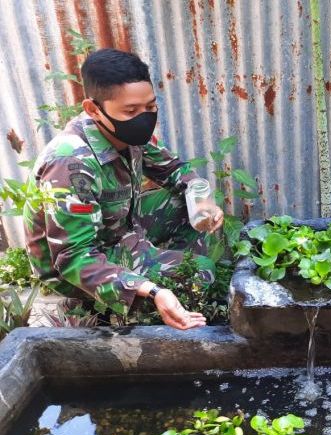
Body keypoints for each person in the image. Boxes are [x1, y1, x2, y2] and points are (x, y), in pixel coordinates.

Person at [24, 48, 224, 330]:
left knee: (186, 208)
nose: (143, 117)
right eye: (131, 110)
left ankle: (171, 287)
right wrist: (151, 289)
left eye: (151, 107)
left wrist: (203, 200)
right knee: (201, 272)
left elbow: (173, 170)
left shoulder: (126, 131)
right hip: (83, 262)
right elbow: (73, 258)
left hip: (119, 229)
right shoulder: (70, 165)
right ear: (94, 109)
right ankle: (140, 303)